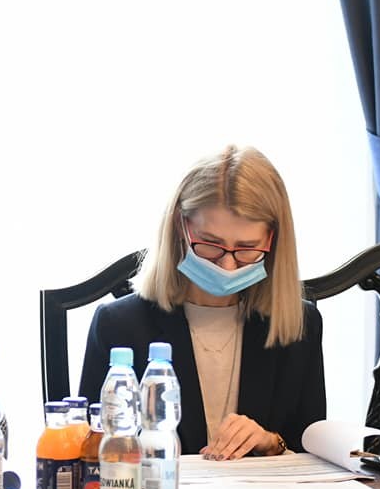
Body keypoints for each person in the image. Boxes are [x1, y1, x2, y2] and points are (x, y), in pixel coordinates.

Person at [78, 145, 325, 460]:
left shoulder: (299, 326)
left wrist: (270, 442)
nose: (228, 266)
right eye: (211, 244)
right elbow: (91, 451)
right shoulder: (118, 325)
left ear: (272, 241)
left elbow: (310, 448)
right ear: (180, 227)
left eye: (247, 248)